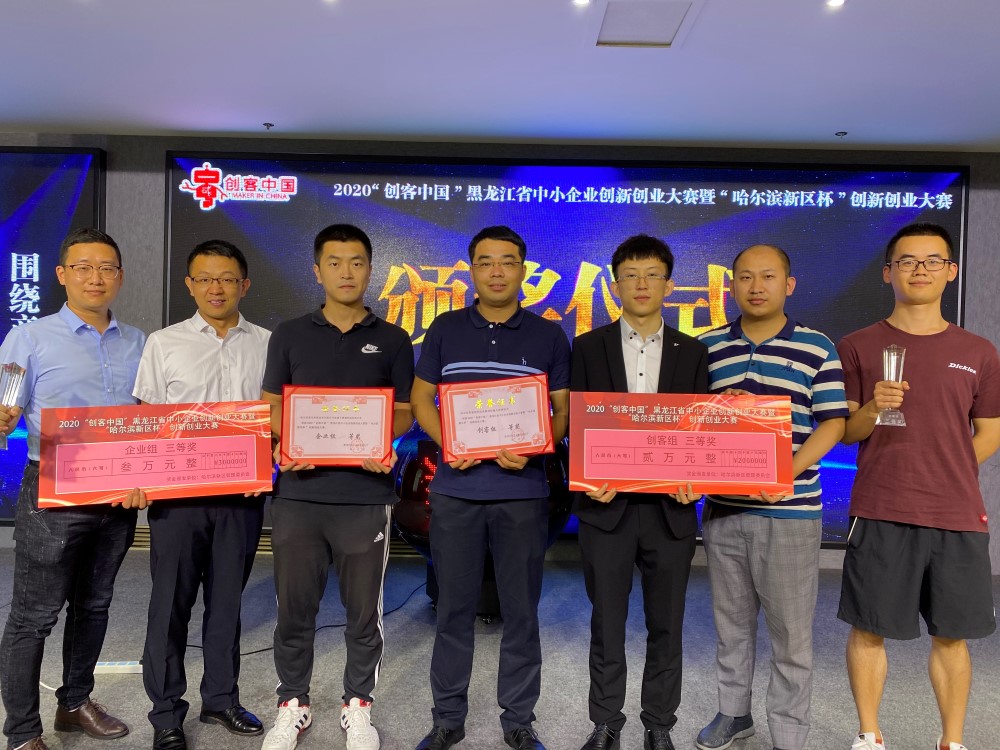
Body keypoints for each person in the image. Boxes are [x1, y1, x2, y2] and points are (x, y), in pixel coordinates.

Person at [837, 223, 1000, 750]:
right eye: (907, 261)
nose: (920, 270)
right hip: (881, 507)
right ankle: (869, 734)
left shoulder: (978, 351)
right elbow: (847, 432)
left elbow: (991, 430)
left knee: (952, 635)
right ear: (888, 273)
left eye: (932, 261)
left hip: (956, 513)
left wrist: (946, 468)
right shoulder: (857, 346)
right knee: (869, 627)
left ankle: (952, 741)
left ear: (951, 271)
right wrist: (873, 407)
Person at [409, 226, 571, 750]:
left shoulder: (549, 336)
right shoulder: (445, 328)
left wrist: (537, 445)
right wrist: (450, 442)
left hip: (522, 493)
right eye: (485, 262)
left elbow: (563, 411)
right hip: (456, 491)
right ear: (472, 270)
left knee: (521, 611)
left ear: (523, 270)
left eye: (507, 261)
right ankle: (447, 718)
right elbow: (421, 400)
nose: (496, 271)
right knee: (453, 609)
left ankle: (518, 719)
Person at [258, 224, 414, 750]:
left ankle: (358, 705)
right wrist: (289, 439)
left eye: (356, 262)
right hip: (299, 493)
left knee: (363, 611)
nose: (346, 272)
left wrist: (378, 438)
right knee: (293, 608)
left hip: (365, 496)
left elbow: (405, 411)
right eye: (334, 262)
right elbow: (272, 405)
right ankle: (292, 704)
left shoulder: (393, 339)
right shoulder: (289, 334)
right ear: (317, 270)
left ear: (370, 269)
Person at [696, 244, 847, 750]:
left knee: (791, 635)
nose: (756, 286)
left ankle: (788, 731)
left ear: (789, 284)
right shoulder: (707, 346)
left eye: (767, 276)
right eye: (745, 277)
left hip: (791, 511)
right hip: (723, 510)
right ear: (731, 285)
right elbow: (690, 420)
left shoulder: (817, 346)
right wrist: (720, 407)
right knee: (731, 626)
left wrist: (786, 469)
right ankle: (733, 713)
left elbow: (833, 423)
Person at [0, 228, 146, 750]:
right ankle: (22, 732)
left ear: (120, 277)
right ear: (62, 275)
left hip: (117, 495)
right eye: (83, 267)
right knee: (34, 616)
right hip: (53, 491)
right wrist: (3, 417)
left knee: (95, 604)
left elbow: (149, 420)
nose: (95, 278)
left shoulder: (139, 342)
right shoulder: (30, 338)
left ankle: (74, 702)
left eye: (106, 268)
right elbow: (6, 404)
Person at [570, 234, 708, 750]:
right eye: (630, 274)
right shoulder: (588, 347)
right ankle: (606, 721)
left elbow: (701, 428)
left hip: (671, 509)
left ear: (669, 285)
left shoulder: (694, 352)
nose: (641, 283)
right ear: (615, 285)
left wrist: (696, 477)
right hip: (606, 508)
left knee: (666, 624)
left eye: (652, 274)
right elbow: (576, 424)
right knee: (606, 622)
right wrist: (588, 474)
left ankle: (659, 724)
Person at [131, 240, 271, 750]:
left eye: (227, 278)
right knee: (170, 604)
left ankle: (221, 699)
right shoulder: (163, 343)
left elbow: (278, 418)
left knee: (227, 603)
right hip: (178, 498)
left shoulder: (269, 343)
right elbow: (147, 419)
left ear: (244, 285)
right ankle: (166, 713)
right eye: (205, 278)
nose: (217, 288)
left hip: (242, 497)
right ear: (189, 285)